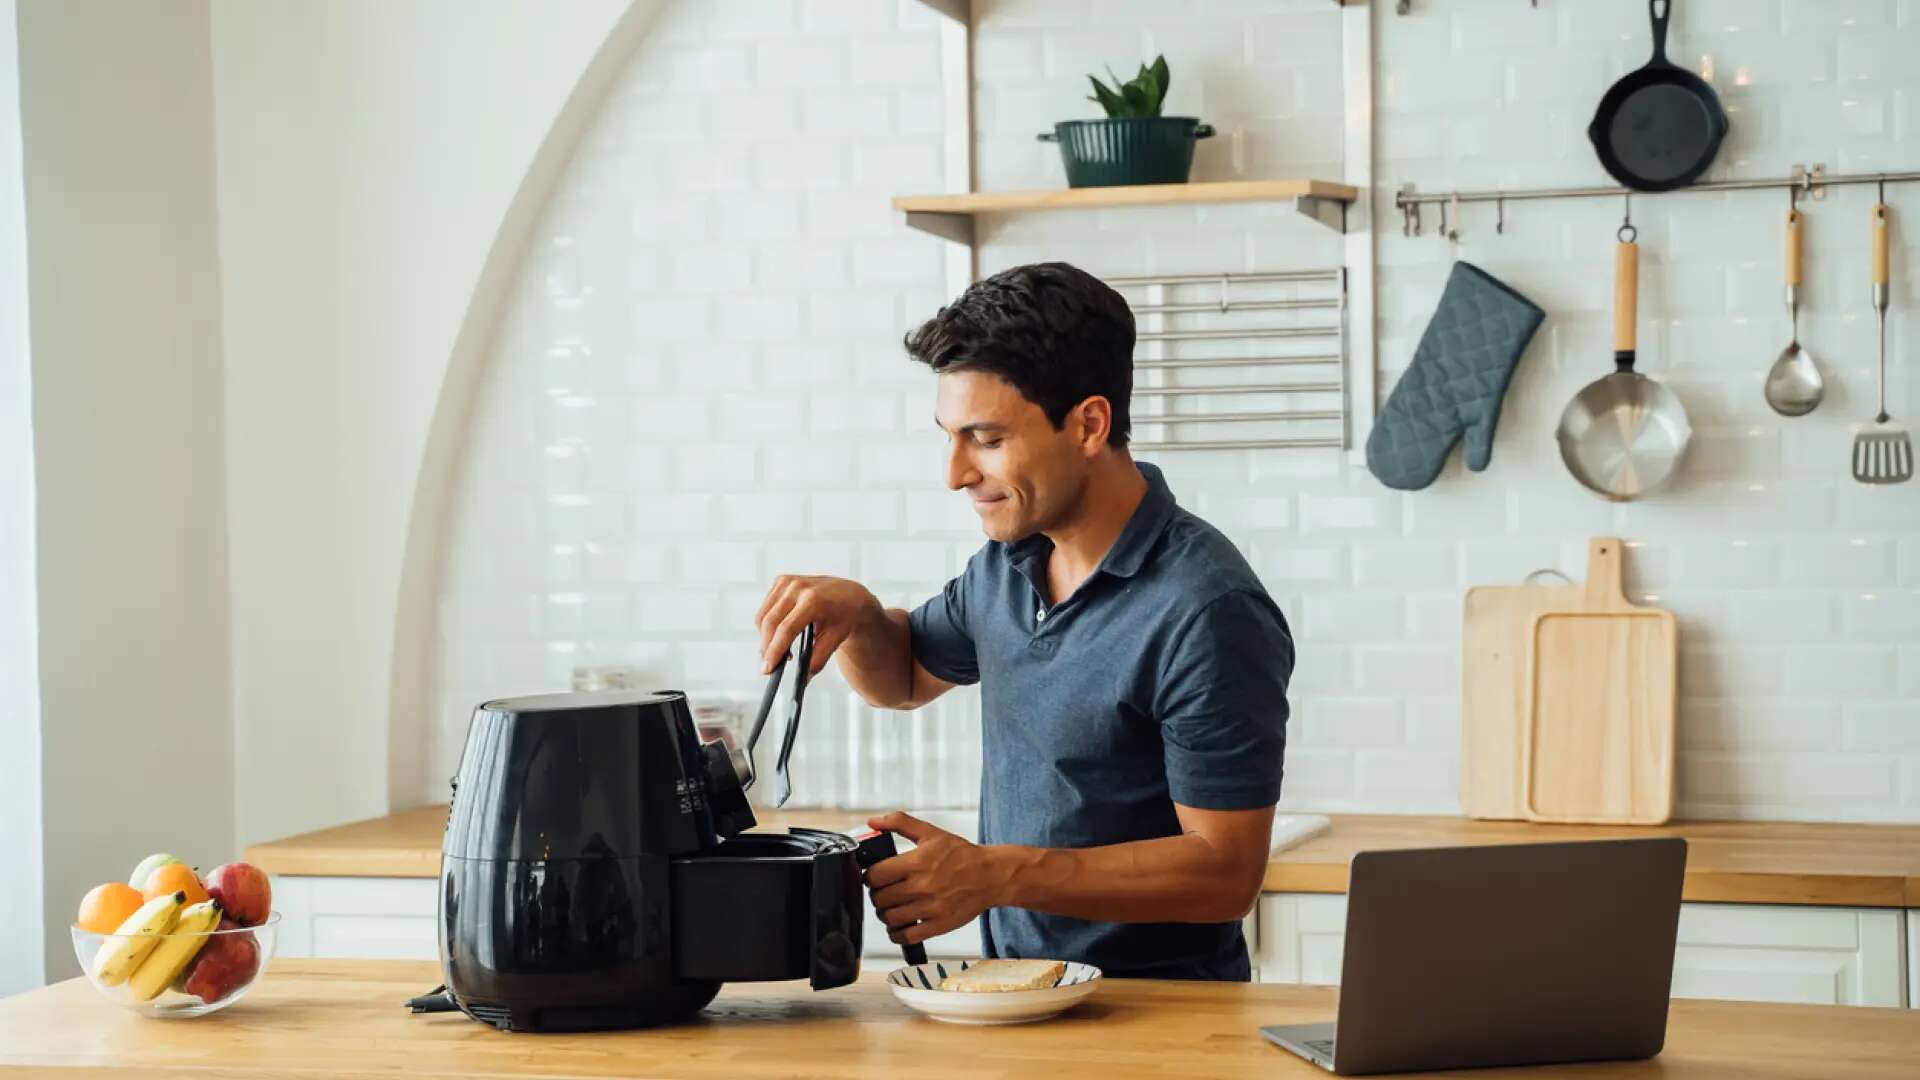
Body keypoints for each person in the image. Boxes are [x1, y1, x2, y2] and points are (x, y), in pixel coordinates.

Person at [753, 262, 1292, 981]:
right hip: (1019, 1000)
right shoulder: (1006, 564)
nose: (955, 473)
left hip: (1158, 1018)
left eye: (986, 438)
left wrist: (999, 874)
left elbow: (1224, 874)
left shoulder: (1206, 609)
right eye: (949, 436)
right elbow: (905, 678)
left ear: (1089, 425)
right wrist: (858, 616)